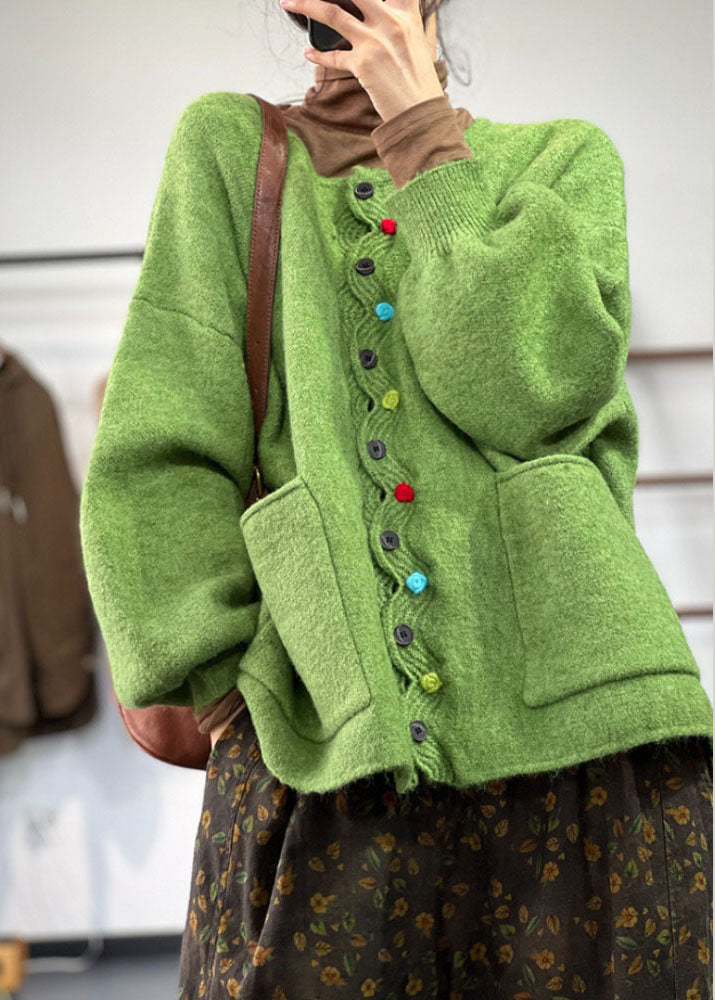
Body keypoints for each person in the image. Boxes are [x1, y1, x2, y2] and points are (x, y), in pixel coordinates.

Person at [79, 1, 713, 996]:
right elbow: (159, 454)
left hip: (592, 755)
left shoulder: (561, 160)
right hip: (323, 754)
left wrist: (421, 135)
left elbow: (526, 393)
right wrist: (224, 685)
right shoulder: (228, 148)